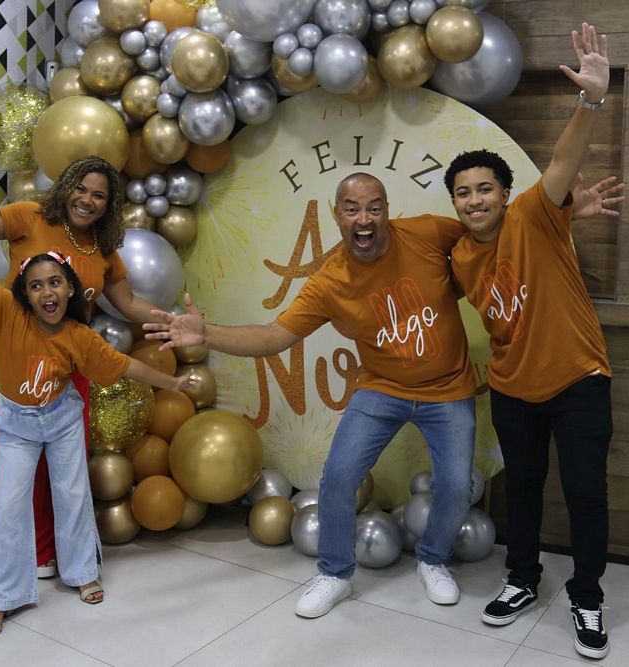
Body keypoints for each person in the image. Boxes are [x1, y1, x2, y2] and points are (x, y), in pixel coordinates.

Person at [146, 172, 477, 619]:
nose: (364, 219)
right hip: (382, 388)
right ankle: (335, 572)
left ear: (387, 211)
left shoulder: (427, 232)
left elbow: (483, 241)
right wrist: (207, 335)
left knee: (455, 485)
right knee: (338, 477)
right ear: (337, 215)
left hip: (449, 387)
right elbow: (273, 336)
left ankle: (433, 559)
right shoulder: (330, 280)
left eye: (374, 208)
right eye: (352, 209)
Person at [0, 197, 193, 639]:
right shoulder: (5, 311)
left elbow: (127, 366)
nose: (46, 292)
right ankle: (0, 598)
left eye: (55, 283)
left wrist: (173, 383)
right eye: (35, 286)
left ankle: (82, 572)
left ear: (70, 290)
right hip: (16, 426)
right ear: (25, 293)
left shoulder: (79, 336)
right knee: (9, 507)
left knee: (72, 493)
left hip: (62, 420)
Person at [445, 22, 614, 660]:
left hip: (578, 381)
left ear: (505, 193)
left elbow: (565, 160)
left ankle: (587, 596)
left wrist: (591, 98)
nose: (474, 200)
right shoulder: (460, 257)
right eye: (463, 193)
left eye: (484, 188)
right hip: (513, 389)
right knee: (521, 488)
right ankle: (521, 579)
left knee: (586, 494)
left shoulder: (535, 214)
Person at [0, 136, 157, 579]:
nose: (87, 200)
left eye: (99, 195)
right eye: (81, 188)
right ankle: (37, 552)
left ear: (108, 205)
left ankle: (71, 555)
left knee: (66, 465)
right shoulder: (31, 216)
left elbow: (129, 305)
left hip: (70, 362)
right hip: (17, 358)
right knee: (17, 460)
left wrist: (173, 321)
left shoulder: (103, 249)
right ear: (67, 187)